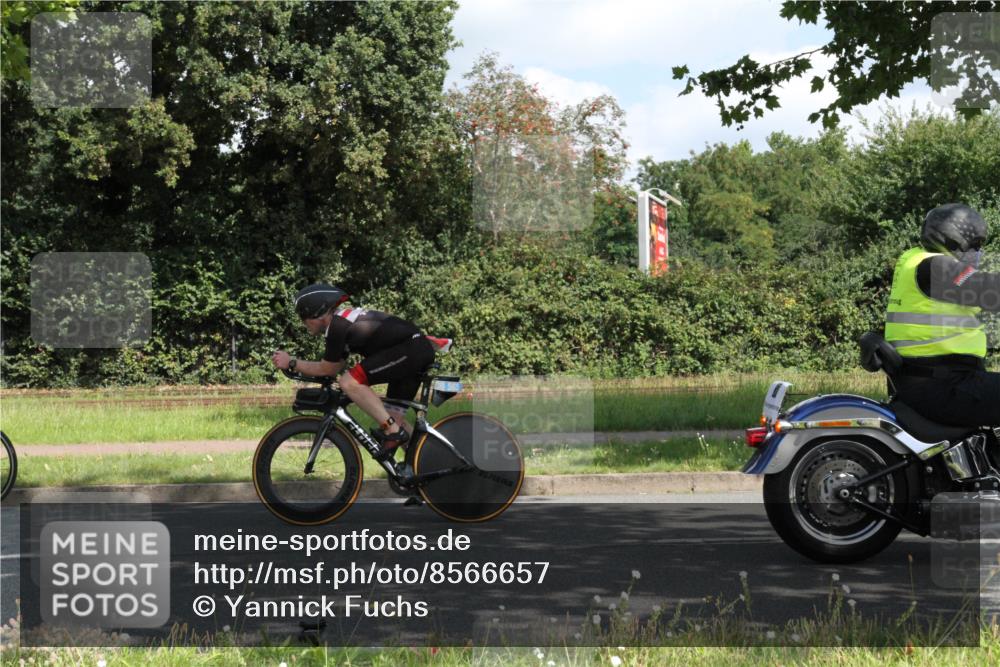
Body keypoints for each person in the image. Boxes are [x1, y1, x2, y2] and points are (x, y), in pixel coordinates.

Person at [271, 284, 436, 461]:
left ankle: (393, 431)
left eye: (303, 317)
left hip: (412, 350)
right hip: (414, 349)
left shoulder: (337, 326)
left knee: (349, 382)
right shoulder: (342, 323)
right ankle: (429, 463)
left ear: (317, 314)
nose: (303, 323)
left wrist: (292, 362)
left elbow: (327, 368)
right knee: (392, 418)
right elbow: (334, 367)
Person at [885, 203, 1000, 426]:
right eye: (974, 245)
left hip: (930, 379)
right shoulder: (936, 266)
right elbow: (986, 288)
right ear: (953, 239)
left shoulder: (916, 260)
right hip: (942, 385)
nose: (977, 252)